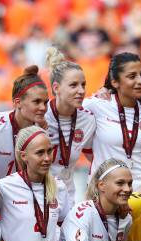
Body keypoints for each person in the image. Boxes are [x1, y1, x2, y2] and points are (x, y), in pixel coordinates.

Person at [83, 52, 141, 192]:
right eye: (132, 76)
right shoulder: (98, 104)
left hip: (140, 192)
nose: (140, 81)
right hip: (104, 192)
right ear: (115, 82)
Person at [0, 66, 49, 178]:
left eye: (45, 102)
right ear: (18, 102)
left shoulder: (45, 129)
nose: (43, 107)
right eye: (37, 102)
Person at [44, 47, 96, 202]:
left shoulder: (87, 120)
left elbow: (93, 156)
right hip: (37, 196)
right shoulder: (40, 114)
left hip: (67, 197)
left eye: (83, 85)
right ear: (56, 88)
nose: (81, 90)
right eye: (73, 85)